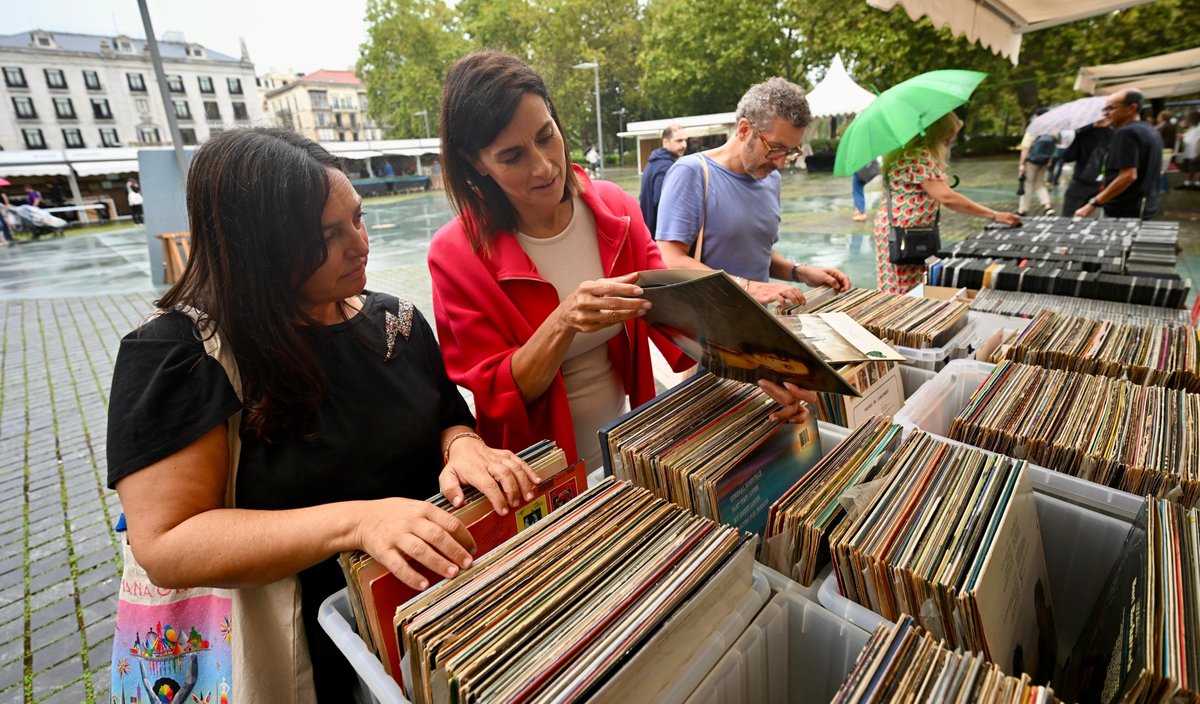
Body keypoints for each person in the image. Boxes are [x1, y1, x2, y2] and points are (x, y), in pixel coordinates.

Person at [107, 127, 539, 701]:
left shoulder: (397, 326)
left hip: (427, 626)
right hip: (291, 652)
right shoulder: (183, 356)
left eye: (357, 219)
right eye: (327, 236)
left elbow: (445, 413)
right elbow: (165, 542)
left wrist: (463, 445)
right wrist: (359, 522)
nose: (360, 245)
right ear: (255, 249)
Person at [427, 52, 814, 471]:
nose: (543, 167)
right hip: (535, 471)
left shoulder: (613, 210)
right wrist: (563, 321)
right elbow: (499, 393)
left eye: (545, 135)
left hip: (627, 444)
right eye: (511, 156)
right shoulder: (456, 255)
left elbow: (682, 312)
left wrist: (764, 368)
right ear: (474, 162)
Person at [655, 77, 851, 307]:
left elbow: (756, 254)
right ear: (744, 129)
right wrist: (748, 287)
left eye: (790, 152)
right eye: (775, 149)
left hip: (754, 325)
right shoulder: (692, 172)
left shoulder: (771, 179)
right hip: (704, 330)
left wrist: (800, 272)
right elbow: (670, 259)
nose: (780, 163)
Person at [874, 112, 1021, 294]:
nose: (949, 142)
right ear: (937, 134)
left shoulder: (905, 152)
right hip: (906, 233)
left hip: (896, 228)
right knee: (904, 289)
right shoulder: (918, 156)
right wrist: (995, 215)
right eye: (947, 138)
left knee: (897, 283)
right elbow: (947, 197)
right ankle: (896, 318)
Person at [1074, 89, 1162, 220]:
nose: (1106, 113)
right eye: (1105, 109)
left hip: (1123, 212)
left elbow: (1128, 175)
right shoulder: (1150, 130)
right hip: (1145, 208)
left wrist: (1093, 204)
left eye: (1111, 108)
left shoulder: (1126, 133)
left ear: (1131, 108)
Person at [639, 123, 687, 237]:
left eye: (685, 140)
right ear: (665, 142)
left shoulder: (654, 161)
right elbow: (662, 202)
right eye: (679, 141)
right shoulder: (665, 166)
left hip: (650, 232)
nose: (684, 145)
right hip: (659, 236)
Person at [1061, 119, 1115, 214]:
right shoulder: (1115, 134)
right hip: (1107, 183)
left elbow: (1068, 157)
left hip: (1081, 182)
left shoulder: (1084, 134)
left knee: (1070, 216)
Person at [1017, 109, 1056, 216]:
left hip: (1031, 161)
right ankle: (1048, 206)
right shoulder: (1053, 129)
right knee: (1040, 184)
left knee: (1027, 184)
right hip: (1044, 161)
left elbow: (1025, 148)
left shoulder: (1033, 128)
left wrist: (1021, 164)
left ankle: (1023, 209)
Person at [1181, 112, 1200, 189]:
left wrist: (1198, 155)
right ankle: (1187, 183)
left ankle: (1196, 184)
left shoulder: (1198, 128)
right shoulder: (1192, 128)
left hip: (1195, 153)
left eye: (1188, 118)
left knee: (1196, 169)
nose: (1186, 119)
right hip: (1189, 153)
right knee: (1188, 169)